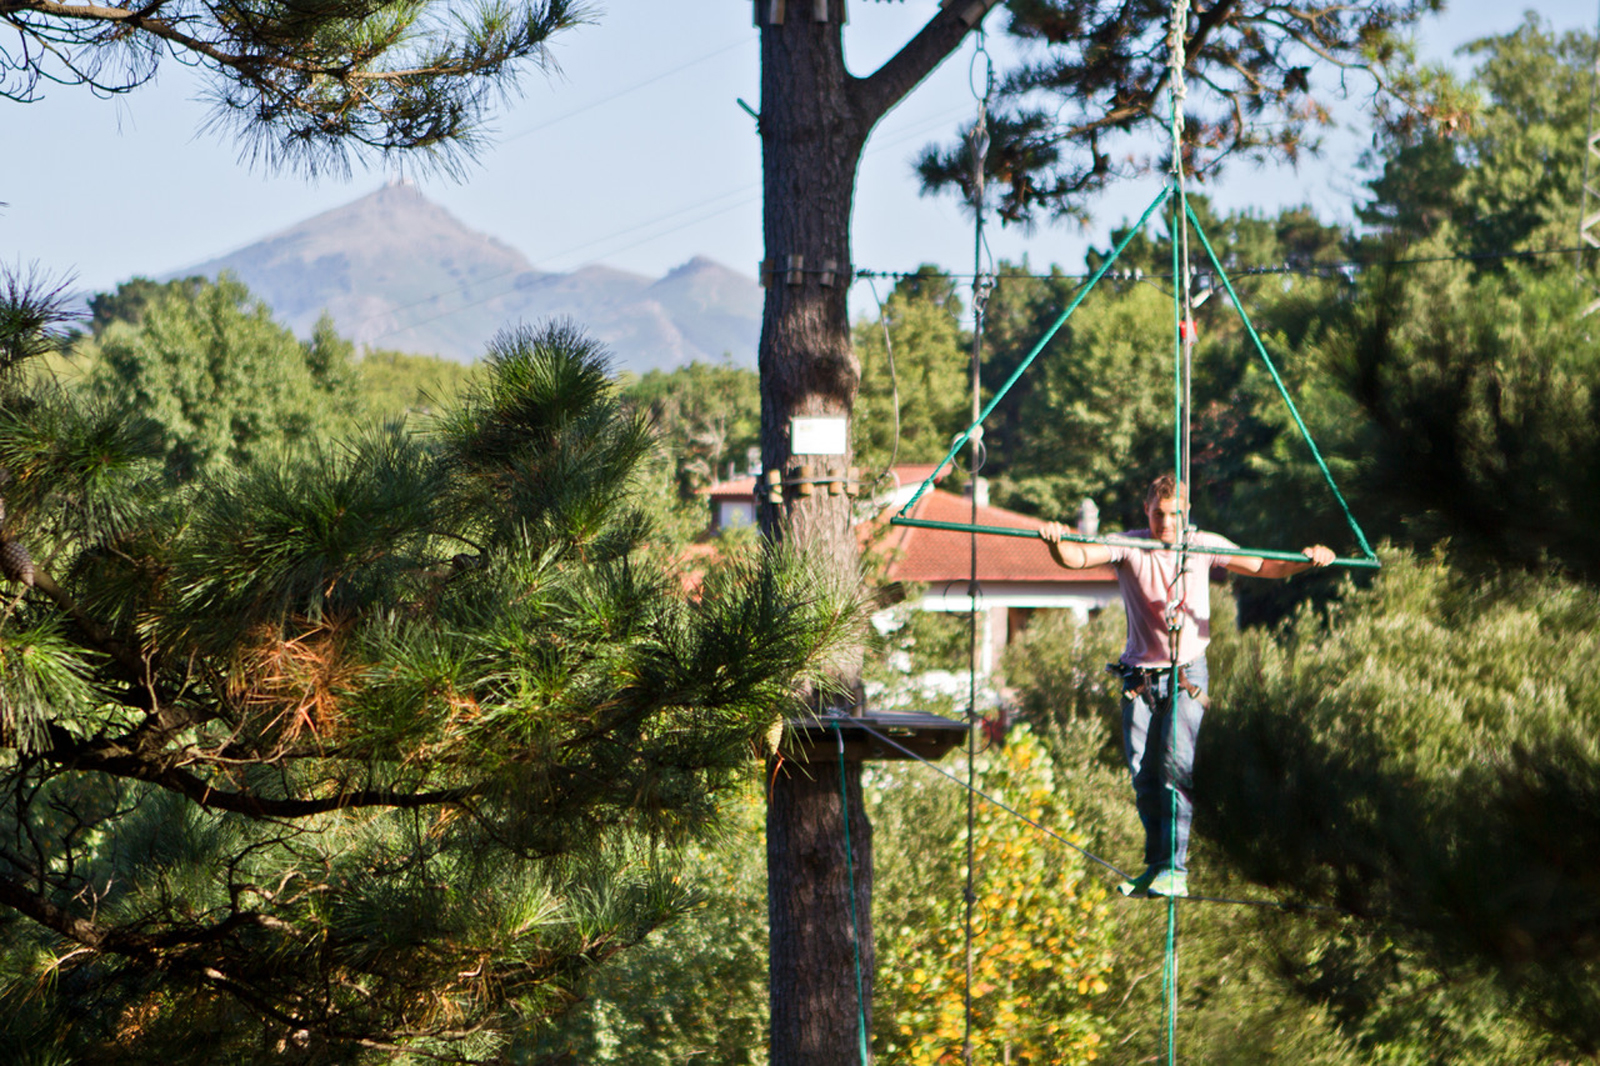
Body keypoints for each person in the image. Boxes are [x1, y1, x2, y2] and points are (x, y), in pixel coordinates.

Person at [1039, 473, 1334, 899]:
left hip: (1186, 675)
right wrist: (1055, 542)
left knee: (1174, 767)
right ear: (1146, 511)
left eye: (1174, 515)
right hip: (1139, 679)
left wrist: (1308, 560)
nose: (1165, 524)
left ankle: (1175, 870)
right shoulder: (1129, 545)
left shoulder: (1201, 544)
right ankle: (1157, 865)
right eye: (1158, 514)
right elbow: (1076, 557)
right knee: (1143, 775)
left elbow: (1262, 565)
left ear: (1187, 513)